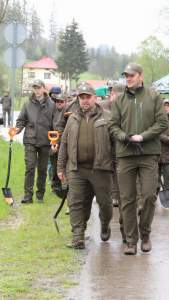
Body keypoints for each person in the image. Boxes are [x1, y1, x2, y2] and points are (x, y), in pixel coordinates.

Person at [110, 63, 167, 255]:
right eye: (126, 75)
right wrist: (125, 137)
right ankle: (131, 240)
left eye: (132, 75)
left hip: (148, 152)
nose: (128, 78)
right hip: (125, 154)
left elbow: (162, 123)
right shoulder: (119, 100)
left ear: (140, 76)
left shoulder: (154, 97)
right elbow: (113, 125)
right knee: (127, 199)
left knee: (149, 196)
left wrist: (143, 136)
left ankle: (146, 233)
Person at [57, 82, 113, 249]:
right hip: (77, 169)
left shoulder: (107, 117)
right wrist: (60, 167)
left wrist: (117, 166)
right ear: (78, 99)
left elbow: (116, 143)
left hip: (101, 169)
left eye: (88, 97)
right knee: (75, 202)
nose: (85, 101)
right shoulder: (72, 118)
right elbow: (64, 143)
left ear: (94, 98)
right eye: (81, 98)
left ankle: (104, 224)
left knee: (105, 203)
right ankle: (78, 237)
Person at [15, 79, 56, 203]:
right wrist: (18, 129)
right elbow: (21, 120)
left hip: (45, 141)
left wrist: (55, 141)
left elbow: (55, 124)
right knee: (30, 167)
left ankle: (40, 196)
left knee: (42, 169)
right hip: (30, 140)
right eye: (35, 88)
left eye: (38, 88)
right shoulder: (27, 104)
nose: (37, 90)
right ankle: (28, 196)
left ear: (44, 89)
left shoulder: (52, 105)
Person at [48, 93, 67, 194]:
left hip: (63, 142)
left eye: (61, 101)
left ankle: (65, 185)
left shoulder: (67, 112)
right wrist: (52, 142)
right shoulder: (52, 112)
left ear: (65, 102)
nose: (59, 103)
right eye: (57, 101)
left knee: (63, 165)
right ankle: (55, 186)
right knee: (54, 165)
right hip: (53, 140)